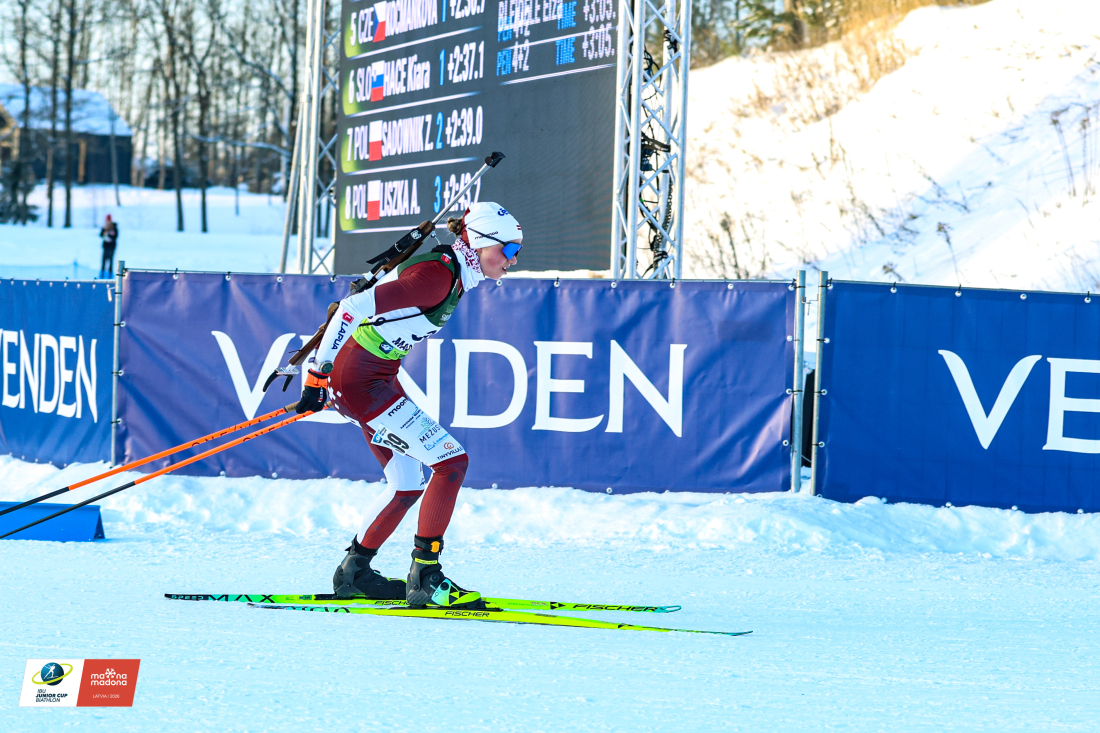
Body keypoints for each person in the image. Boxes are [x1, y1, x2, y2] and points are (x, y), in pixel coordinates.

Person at [294, 202, 522, 609]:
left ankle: (354, 573)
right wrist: (317, 376)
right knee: (451, 463)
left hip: (375, 377)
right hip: (361, 382)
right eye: (508, 249)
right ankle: (426, 579)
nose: (513, 260)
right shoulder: (436, 277)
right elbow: (351, 308)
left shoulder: (453, 272)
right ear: (479, 241)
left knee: (406, 483)